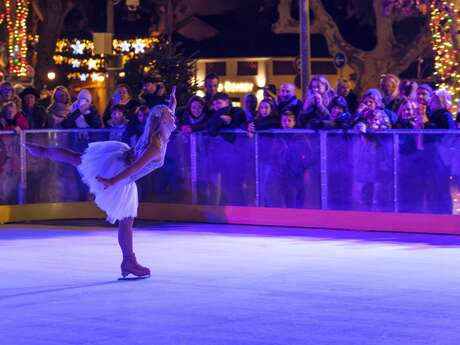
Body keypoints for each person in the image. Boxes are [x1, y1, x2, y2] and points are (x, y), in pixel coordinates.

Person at [24, 88, 178, 278]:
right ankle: (129, 260)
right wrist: (112, 180)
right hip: (120, 171)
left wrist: (172, 104)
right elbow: (134, 168)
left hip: (121, 166)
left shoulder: (162, 134)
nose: (174, 118)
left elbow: (164, 117)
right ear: (162, 121)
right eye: (170, 116)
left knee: (125, 219)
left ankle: (129, 260)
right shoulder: (155, 145)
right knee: (79, 161)